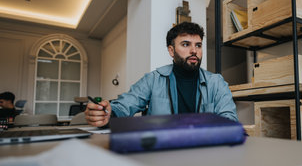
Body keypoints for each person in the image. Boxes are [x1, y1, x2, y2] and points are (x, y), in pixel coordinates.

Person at [85, 22, 238, 127]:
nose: (194, 51)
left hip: (205, 150)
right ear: (171, 50)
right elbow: (125, 105)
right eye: (186, 44)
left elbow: (229, 120)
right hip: (162, 151)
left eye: (198, 45)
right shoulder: (152, 79)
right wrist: (107, 114)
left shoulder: (216, 82)